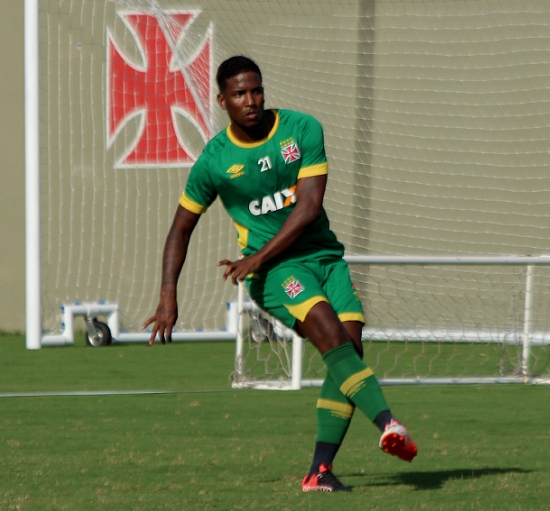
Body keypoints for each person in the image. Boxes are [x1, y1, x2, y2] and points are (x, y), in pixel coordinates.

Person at [142, 55, 417, 493]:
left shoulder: (301, 129)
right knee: (332, 334)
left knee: (349, 351)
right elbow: (180, 227)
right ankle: (389, 424)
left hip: (325, 258)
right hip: (274, 273)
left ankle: (319, 472)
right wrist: (167, 297)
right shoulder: (215, 161)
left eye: (256, 90)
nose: (250, 101)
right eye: (238, 94)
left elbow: (308, 208)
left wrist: (253, 254)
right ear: (222, 101)